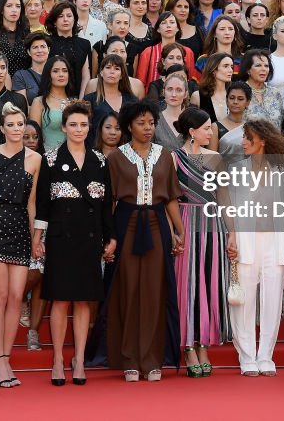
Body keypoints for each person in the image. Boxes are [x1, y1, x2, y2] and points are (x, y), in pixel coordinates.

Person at [88, 102, 183, 383]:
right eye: (142, 123)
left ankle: (153, 359)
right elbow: (111, 203)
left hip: (156, 226)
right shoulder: (116, 158)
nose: (148, 128)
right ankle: (128, 359)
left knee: (155, 291)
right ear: (129, 126)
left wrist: (178, 231)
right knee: (126, 290)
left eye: (152, 123)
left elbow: (171, 198)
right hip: (126, 225)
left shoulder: (165, 156)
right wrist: (110, 238)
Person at [33, 101, 116, 386]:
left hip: (90, 238)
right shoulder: (51, 159)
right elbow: (42, 204)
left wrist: (111, 237)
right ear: (63, 127)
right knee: (60, 299)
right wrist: (37, 238)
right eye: (73, 124)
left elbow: (106, 206)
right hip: (60, 237)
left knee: (83, 301)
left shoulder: (100, 161)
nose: (78, 129)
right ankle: (57, 359)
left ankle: (78, 359)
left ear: (89, 127)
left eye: (83, 124)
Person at [0, 101, 41, 388]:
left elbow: (32, 203)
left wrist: (34, 238)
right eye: (11, 125)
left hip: (19, 228)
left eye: (20, 125)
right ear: (2, 129)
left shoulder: (35, 159)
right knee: (0, 296)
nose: (17, 129)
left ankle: (5, 357)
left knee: (17, 296)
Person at [170, 107, 230, 377]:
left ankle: (204, 343)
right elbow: (169, 198)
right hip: (187, 222)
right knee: (189, 285)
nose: (211, 132)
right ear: (192, 132)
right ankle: (187, 346)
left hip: (214, 224)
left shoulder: (216, 158)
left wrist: (233, 234)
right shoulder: (173, 158)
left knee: (209, 283)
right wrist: (176, 231)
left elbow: (225, 198)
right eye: (206, 128)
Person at [226, 119, 284, 376]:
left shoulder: (281, 170)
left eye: (248, 138)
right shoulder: (236, 170)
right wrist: (232, 235)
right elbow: (228, 206)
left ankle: (266, 356)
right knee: (244, 300)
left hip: (274, 242)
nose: (243, 142)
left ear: (262, 140)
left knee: (272, 300)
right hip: (245, 240)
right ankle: (247, 355)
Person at [29, 55, 79, 151]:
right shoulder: (39, 102)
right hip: (46, 157)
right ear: (48, 75)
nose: (61, 74)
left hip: (73, 157)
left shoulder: (74, 102)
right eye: (55, 71)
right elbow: (35, 136)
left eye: (65, 71)